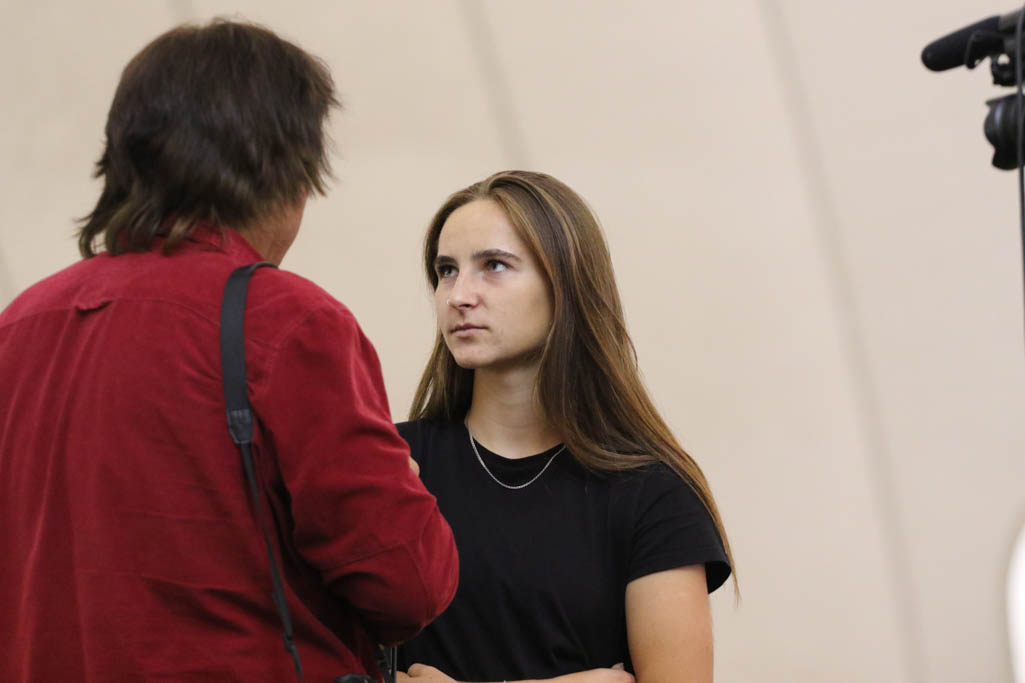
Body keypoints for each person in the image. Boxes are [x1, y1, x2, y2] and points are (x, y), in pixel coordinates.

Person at [0, 20, 458, 682]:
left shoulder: (20, 324)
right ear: (286, 167)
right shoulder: (288, 322)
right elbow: (406, 584)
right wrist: (408, 489)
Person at [395, 171, 734, 683]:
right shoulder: (395, 464)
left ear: (566, 284)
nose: (458, 295)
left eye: (494, 266)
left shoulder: (654, 495)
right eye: (446, 270)